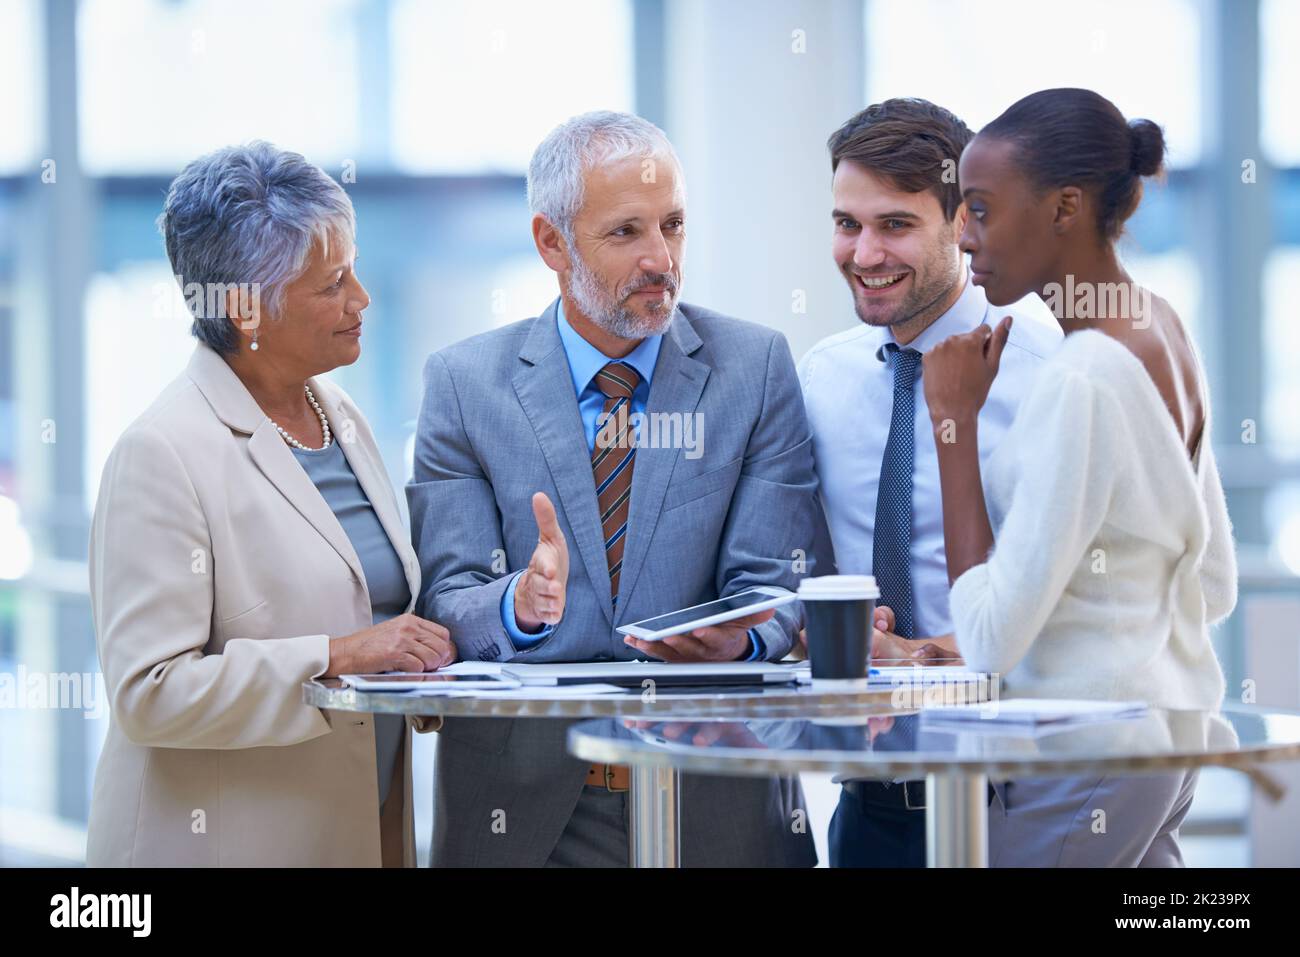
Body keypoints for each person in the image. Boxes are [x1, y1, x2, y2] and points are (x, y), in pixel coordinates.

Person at [407, 111, 821, 867]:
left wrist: (747, 634)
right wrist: (516, 606)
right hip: (523, 810)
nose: (661, 258)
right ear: (551, 243)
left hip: (716, 801)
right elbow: (447, 598)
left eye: (674, 225)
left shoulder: (755, 368)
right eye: (626, 232)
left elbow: (786, 578)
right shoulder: (465, 384)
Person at [87, 142, 454, 867]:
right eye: (333, 283)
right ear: (248, 309)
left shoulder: (340, 414)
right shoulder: (161, 452)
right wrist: (339, 656)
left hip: (355, 831)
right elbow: (149, 692)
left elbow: (379, 613)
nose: (363, 299)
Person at [925, 88, 1236, 865]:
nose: (964, 236)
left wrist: (952, 423)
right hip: (1168, 740)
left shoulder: (1084, 377)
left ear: (1065, 207)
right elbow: (1216, 579)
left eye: (984, 210)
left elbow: (992, 637)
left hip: (1083, 749)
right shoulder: (1159, 323)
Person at [798, 98, 1061, 867]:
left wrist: (958, 652)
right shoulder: (822, 381)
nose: (865, 252)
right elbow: (801, 577)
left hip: (1018, 799)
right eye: (848, 224)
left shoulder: (1048, 373)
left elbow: (1093, 595)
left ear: (962, 223)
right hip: (870, 804)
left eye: (895, 224)